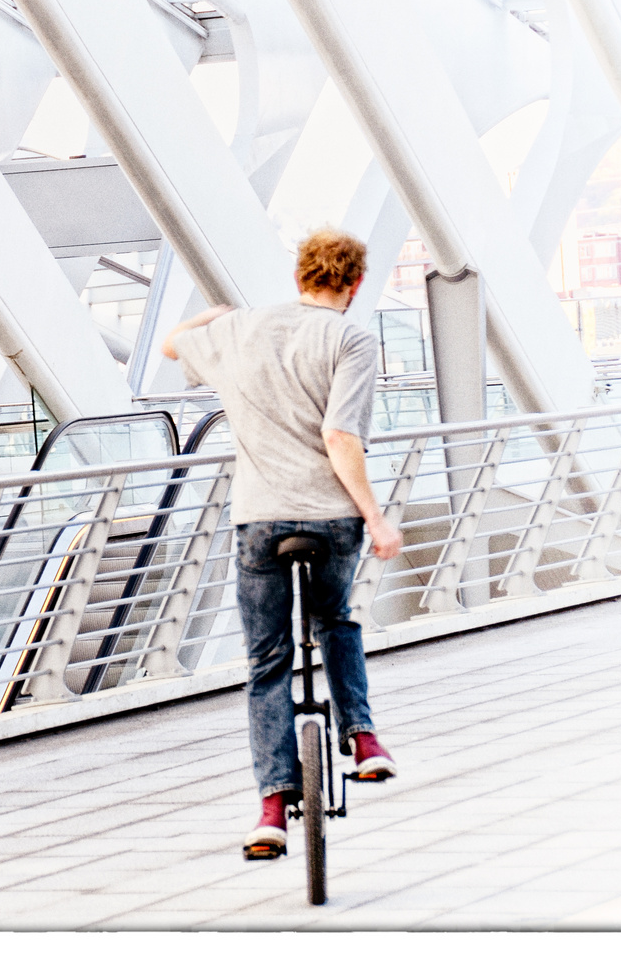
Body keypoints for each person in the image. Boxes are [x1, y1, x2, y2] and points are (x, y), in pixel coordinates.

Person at [161, 227, 402, 859]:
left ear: (299, 279)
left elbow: (171, 345)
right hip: (330, 517)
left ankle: (271, 808)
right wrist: (375, 518)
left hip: (261, 521)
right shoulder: (350, 337)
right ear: (352, 286)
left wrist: (209, 316)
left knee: (266, 662)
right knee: (335, 620)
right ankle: (362, 735)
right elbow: (341, 436)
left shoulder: (241, 328)